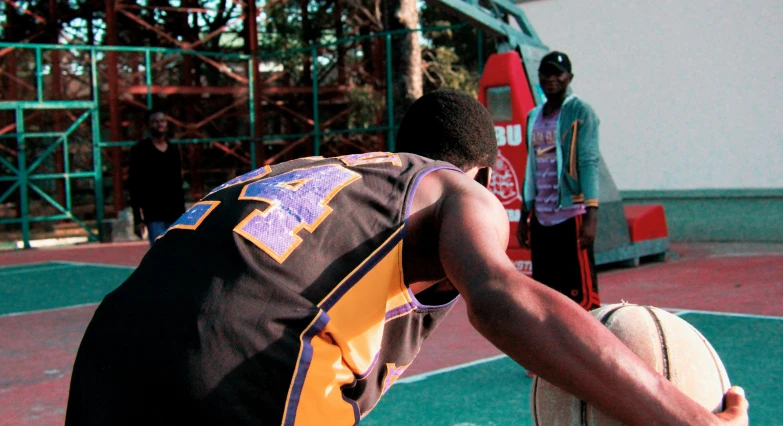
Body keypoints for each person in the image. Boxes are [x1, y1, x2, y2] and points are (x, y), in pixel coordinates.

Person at [66, 89, 748, 426]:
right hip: (234, 364)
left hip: (107, 350)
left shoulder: (302, 168)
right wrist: (680, 416)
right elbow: (502, 301)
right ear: (478, 170)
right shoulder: (455, 190)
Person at [517, 51, 601, 311]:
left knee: (581, 299)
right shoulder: (534, 116)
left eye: (558, 74)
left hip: (571, 214)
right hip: (541, 217)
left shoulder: (580, 111)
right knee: (546, 295)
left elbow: (588, 161)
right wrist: (524, 216)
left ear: (569, 78)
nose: (551, 79)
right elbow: (530, 166)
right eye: (546, 74)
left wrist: (591, 216)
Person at [128, 108, 186, 245]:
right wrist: (138, 219)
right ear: (148, 125)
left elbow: (178, 184)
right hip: (154, 215)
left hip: (175, 214)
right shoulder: (139, 151)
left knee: (177, 254)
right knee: (159, 256)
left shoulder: (173, 150)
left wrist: (185, 216)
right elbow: (134, 186)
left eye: (162, 121)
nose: (159, 124)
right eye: (155, 122)